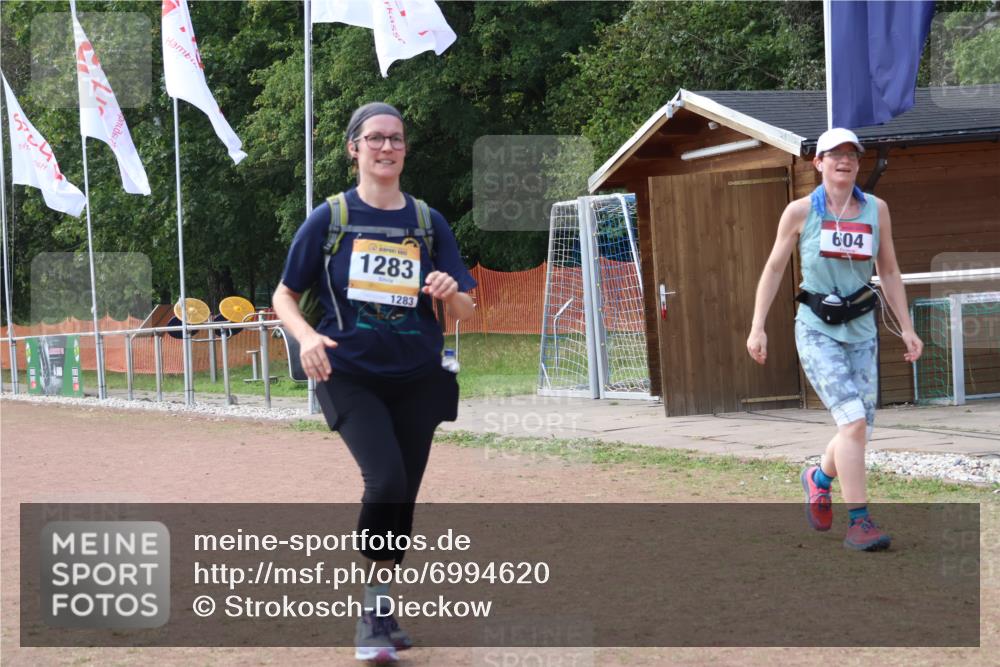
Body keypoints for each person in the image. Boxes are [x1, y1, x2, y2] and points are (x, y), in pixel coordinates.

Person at [273, 102, 476, 662]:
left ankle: (381, 605)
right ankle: (371, 612)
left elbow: (464, 307)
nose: (387, 148)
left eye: (397, 139)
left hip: (418, 378)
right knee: (384, 482)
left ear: (405, 150)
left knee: (403, 500)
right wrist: (305, 337)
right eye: (376, 139)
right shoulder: (330, 218)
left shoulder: (427, 222)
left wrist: (445, 291)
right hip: (348, 373)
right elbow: (283, 294)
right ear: (354, 148)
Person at [746, 127, 923, 552]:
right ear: (818, 162)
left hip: (862, 330)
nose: (844, 161)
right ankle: (859, 521)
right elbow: (772, 269)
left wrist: (908, 327)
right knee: (853, 422)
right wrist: (758, 325)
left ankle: (819, 478)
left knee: (856, 430)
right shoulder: (800, 212)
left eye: (852, 155)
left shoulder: (876, 210)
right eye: (834, 154)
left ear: (858, 163)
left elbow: (891, 270)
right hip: (816, 328)